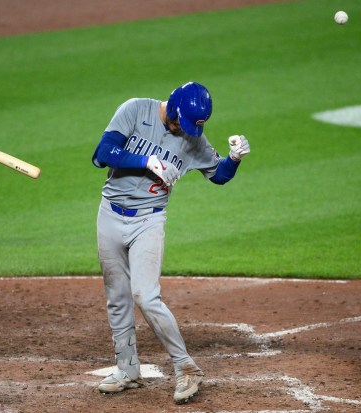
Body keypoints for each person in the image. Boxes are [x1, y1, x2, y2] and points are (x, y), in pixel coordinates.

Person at [91, 81, 250, 404]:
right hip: (109, 214)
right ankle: (127, 369)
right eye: (182, 121)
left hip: (149, 219)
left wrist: (233, 158)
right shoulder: (135, 109)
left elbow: (217, 175)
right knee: (118, 296)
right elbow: (101, 155)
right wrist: (146, 161)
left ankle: (186, 367)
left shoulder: (192, 138)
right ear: (174, 106)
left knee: (145, 296)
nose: (185, 130)